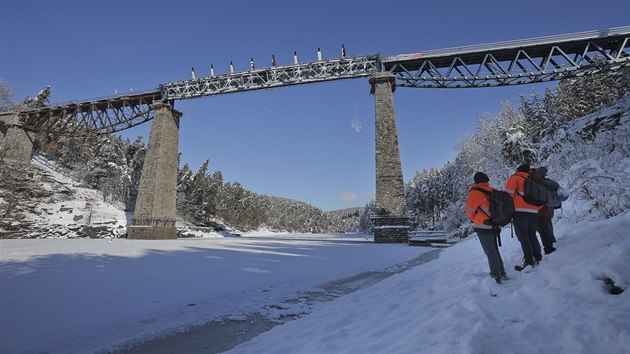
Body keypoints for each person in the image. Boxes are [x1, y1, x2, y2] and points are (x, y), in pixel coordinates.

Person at [465, 172, 507, 284]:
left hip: (483, 226)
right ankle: (502, 272)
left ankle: (496, 274)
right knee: (494, 250)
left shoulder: (476, 193)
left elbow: (469, 210)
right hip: (495, 225)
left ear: (476, 181)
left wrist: (474, 219)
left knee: (490, 252)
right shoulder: (492, 191)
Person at [505, 164, 542, 270]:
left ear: (518, 170)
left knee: (523, 237)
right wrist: (536, 209)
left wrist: (508, 211)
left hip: (520, 212)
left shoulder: (515, 178)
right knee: (532, 235)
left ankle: (529, 261)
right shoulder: (533, 180)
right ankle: (538, 257)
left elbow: (508, 197)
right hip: (534, 212)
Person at [531, 167, 560, 254]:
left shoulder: (534, 182)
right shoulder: (545, 182)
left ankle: (548, 248)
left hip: (539, 211)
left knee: (543, 230)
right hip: (547, 209)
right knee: (546, 228)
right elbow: (556, 185)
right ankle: (550, 244)